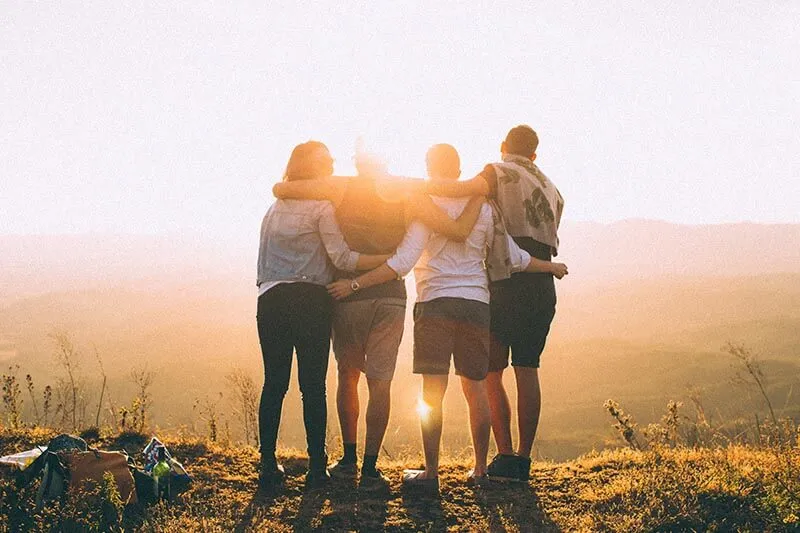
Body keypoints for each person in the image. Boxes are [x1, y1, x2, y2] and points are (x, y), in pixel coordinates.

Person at [327, 144, 567, 491]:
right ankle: (481, 470)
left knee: (432, 393)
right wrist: (551, 267)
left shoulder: (424, 205)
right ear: (459, 171)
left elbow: (403, 262)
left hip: (435, 303)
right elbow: (514, 257)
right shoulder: (485, 207)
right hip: (476, 305)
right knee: (476, 390)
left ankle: (431, 473)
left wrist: (355, 283)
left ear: (429, 167)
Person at [273, 148, 484, 491]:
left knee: (348, 374)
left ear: (356, 161)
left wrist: (280, 189)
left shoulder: (339, 187)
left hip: (347, 294)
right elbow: (453, 214)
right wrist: (477, 188)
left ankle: (348, 459)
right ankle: (371, 468)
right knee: (380, 381)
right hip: (390, 296)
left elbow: (287, 190)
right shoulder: (406, 190)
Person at [425, 126, 566, 482]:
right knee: (528, 368)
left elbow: (461, 190)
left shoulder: (496, 171)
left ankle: (502, 455)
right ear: (534, 155)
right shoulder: (553, 189)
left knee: (491, 371)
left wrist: (414, 189)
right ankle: (523, 458)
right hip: (541, 284)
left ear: (504, 147)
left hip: (505, 281)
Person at [256, 141, 390, 491]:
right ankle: (317, 469)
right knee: (312, 387)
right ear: (312, 168)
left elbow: (263, 262)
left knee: (274, 384)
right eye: (326, 159)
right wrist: (385, 260)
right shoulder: (322, 208)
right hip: (311, 301)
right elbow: (343, 259)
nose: (332, 162)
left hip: (270, 299)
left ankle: (267, 465)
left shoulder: (274, 208)